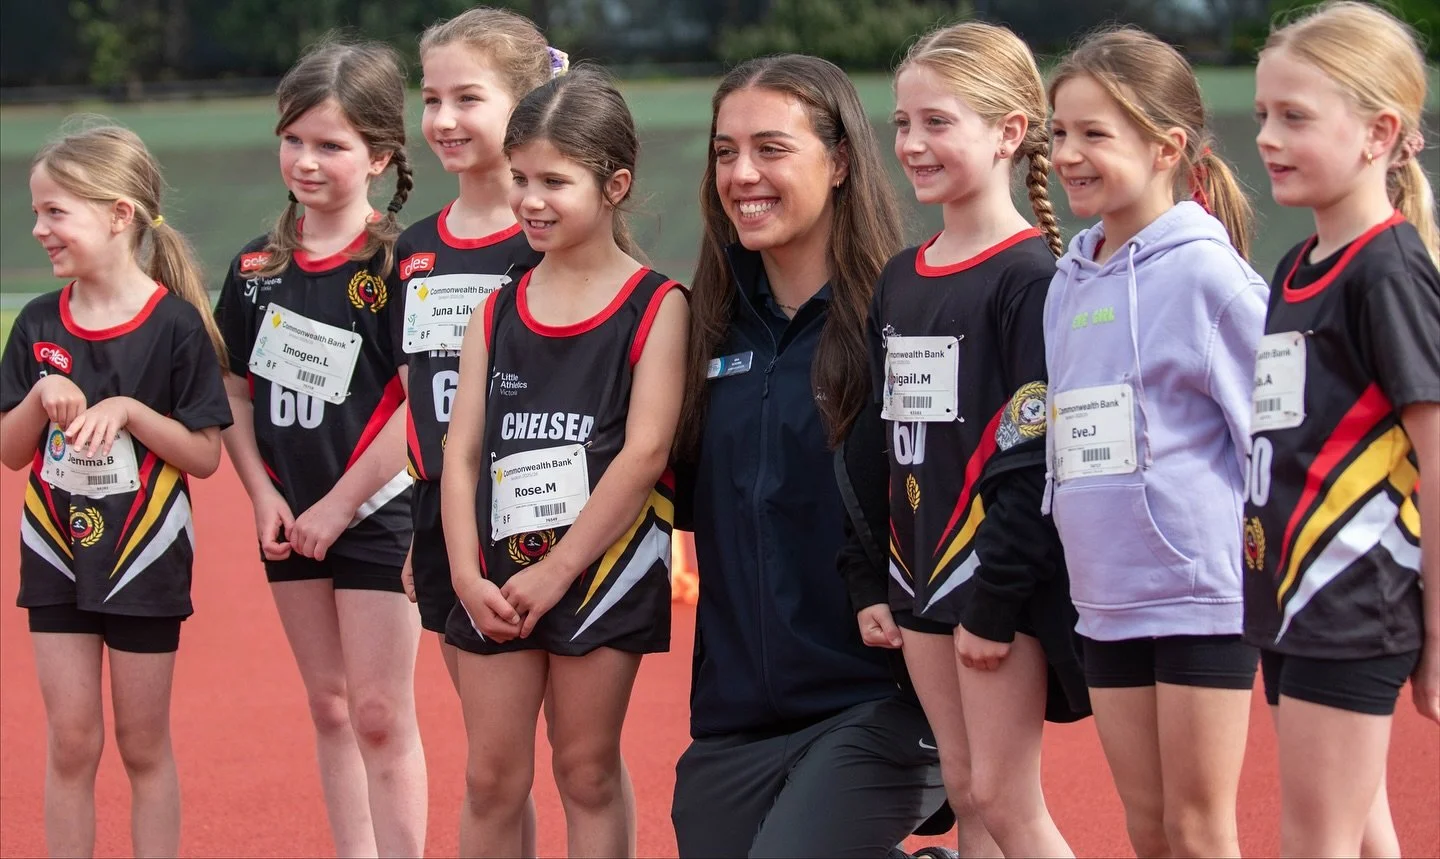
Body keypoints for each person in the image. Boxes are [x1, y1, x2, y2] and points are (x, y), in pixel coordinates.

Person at [671, 53, 946, 859]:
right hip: (736, 716)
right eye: (725, 152)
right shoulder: (698, 331)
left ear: (839, 162)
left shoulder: (902, 319)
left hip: (880, 698)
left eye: (770, 148)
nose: (742, 174)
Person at [440, 66, 688, 859]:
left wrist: (559, 571)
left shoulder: (658, 304)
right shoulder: (498, 307)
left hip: (601, 570)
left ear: (614, 184)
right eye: (519, 179)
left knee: (584, 770)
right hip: (494, 575)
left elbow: (645, 453)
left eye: (555, 180)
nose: (530, 200)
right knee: (491, 777)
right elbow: (462, 454)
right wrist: (464, 574)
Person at [1043, 28, 1269, 859]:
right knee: (1146, 825)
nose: (1069, 154)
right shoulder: (1068, 280)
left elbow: (1271, 438)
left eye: (1095, 134)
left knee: (1198, 826)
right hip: (1105, 595)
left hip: (1200, 593)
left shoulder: (1211, 277)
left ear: (1168, 146)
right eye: (1060, 132)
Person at [871, 21, 1087, 859]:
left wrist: (997, 597)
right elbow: (888, 437)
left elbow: (1033, 455)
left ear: (1009, 132)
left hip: (993, 575)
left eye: (937, 122)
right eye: (902, 123)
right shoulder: (900, 274)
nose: (913, 144)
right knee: (964, 789)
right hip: (916, 568)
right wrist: (876, 573)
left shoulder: (1030, 277)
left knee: (1005, 795)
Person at [212, 39, 425, 857]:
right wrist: (263, 495)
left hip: (375, 513)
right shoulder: (256, 266)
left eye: (331, 145)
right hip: (289, 516)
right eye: (293, 139)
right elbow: (233, 387)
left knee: (378, 711)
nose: (306, 160)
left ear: (377, 156)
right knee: (329, 704)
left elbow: (421, 404)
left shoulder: (404, 263)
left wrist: (340, 506)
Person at [0, 124, 232, 857]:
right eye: (37, 212)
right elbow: (10, 453)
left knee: (141, 744)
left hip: (146, 558)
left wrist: (131, 412)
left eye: (55, 211)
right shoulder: (37, 322)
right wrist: (40, 399)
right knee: (70, 742)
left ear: (118, 214)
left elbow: (204, 455)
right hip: (56, 551)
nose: (39, 229)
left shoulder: (175, 326)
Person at [1250, 3, 1440, 855]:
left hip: (1352, 603)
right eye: (1262, 115)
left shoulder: (1389, 271)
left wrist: (1437, 632)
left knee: (1313, 840)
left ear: (1380, 131)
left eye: (1295, 117)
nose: (1267, 137)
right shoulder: (1295, 267)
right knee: (1361, 836)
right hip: (1291, 600)